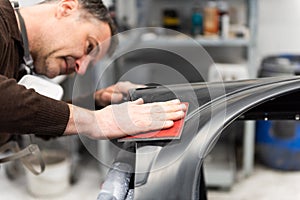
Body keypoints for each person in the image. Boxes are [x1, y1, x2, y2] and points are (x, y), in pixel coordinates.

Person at [0, 0, 187, 145]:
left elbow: (31, 118)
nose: (80, 69)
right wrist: (96, 121)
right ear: (66, 8)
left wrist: (97, 102)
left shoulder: (17, 55)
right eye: (89, 46)